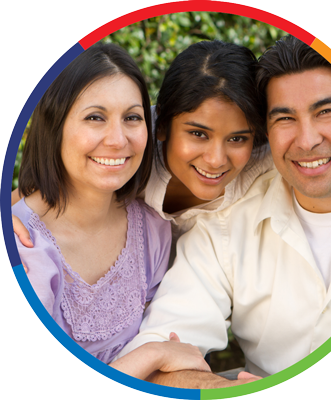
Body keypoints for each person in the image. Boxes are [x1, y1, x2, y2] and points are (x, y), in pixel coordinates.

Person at [113, 35, 331, 387]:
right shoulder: (223, 222)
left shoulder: (245, 180)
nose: (306, 141)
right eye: (285, 118)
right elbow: (159, 351)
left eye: (325, 112)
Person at [12, 42, 210, 379]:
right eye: (95, 117)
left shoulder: (151, 230)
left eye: (132, 117)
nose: (118, 139)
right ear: (55, 126)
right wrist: (156, 353)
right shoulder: (23, 244)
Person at [13, 40, 273, 266]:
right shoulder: (129, 142)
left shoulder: (269, 160)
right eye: (198, 134)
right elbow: (42, 185)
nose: (216, 159)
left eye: (237, 138)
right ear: (160, 126)